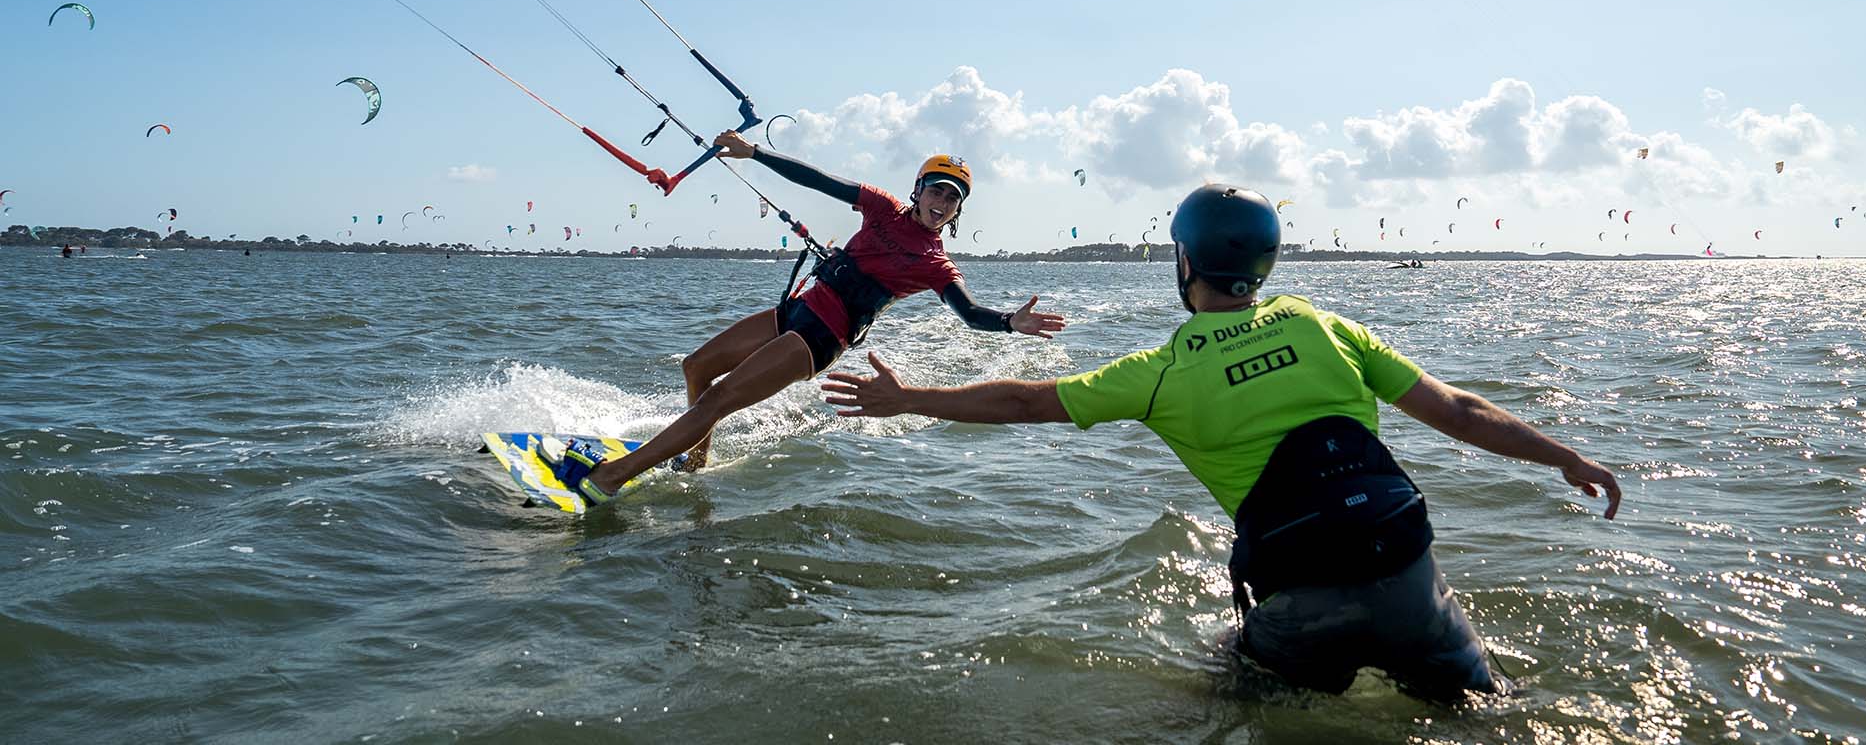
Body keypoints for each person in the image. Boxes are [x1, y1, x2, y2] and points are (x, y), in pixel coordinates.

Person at [823, 183, 1622, 701]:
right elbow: (1459, 411)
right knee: (1485, 710)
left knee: (1224, 690)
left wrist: (907, 399)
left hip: (1299, 599)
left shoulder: (1163, 369)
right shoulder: (1321, 324)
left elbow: (1025, 401)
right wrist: (1565, 457)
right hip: (1408, 577)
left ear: (1183, 261)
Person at [561, 129, 1066, 507]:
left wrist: (1007, 323)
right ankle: (694, 459)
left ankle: (611, 477)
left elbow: (969, 312)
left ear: (958, 212)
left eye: (953, 198)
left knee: (719, 398)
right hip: (800, 309)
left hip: (823, 336)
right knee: (697, 366)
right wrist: (754, 153)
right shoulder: (883, 208)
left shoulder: (936, 263)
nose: (942, 202)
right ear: (918, 190)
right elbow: (821, 180)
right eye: (936, 189)